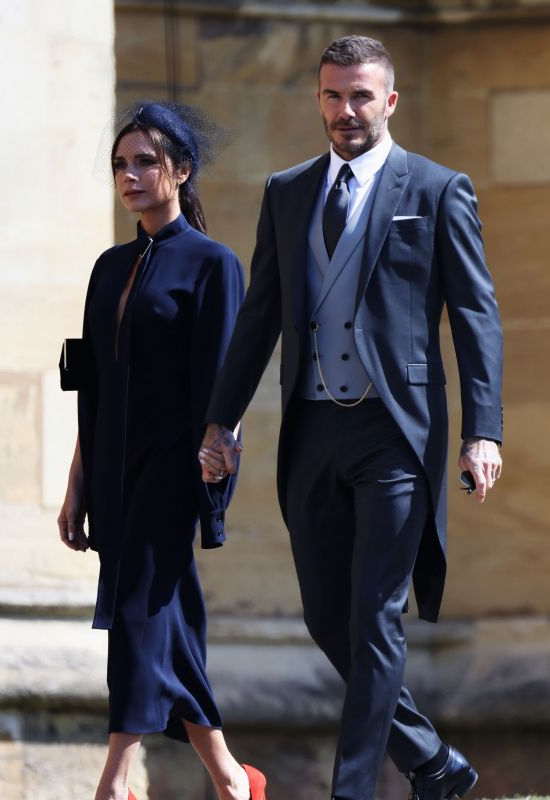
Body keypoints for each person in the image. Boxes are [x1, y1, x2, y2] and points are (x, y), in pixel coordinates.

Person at [199, 36, 503, 800]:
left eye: (361, 96)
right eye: (333, 96)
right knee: (327, 618)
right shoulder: (287, 190)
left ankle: (355, 790)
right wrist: (220, 423)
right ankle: (432, 764)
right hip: (311, 429)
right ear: (319, 101)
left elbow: (476, 315)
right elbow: (259, 315)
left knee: (374, 617)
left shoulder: (437, 189)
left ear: (390, 101)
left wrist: (484, 429)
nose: (346, 111)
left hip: (396, 431)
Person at [58, 101, 267, 800]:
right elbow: (89, 385)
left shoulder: (213, 265)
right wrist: (76, 481)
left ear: (181, 170)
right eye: (121, 164)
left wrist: (217, 460)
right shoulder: (106, 267)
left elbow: (224, 386)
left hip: (176, 468)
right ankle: (232, 779)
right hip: (114, 472)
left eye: (145, 161)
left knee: (141, 608)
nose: (130, 175)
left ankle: (113, 782)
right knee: (161, 616)